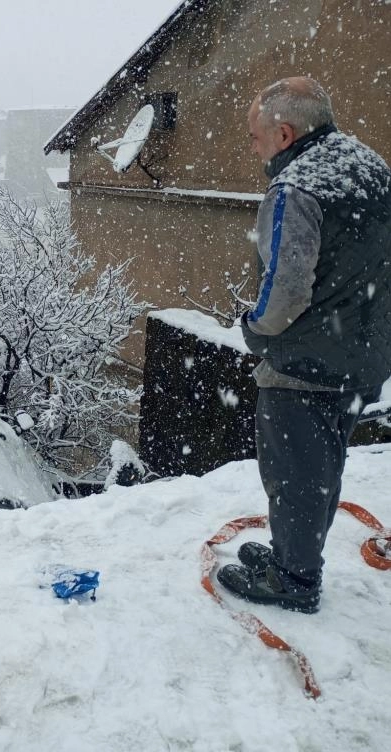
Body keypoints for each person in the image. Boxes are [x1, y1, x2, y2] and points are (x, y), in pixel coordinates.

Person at [216, 77, 391, 613]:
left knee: (294, 473)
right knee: (323, 466)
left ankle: (293, 579)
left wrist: (254, 327)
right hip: (364, 358)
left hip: (305, 362)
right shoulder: (372, 169)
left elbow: (285, 291)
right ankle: (290, 553)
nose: (253, 146)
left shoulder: (295, 189)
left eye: (255, 137)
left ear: (284, 133)